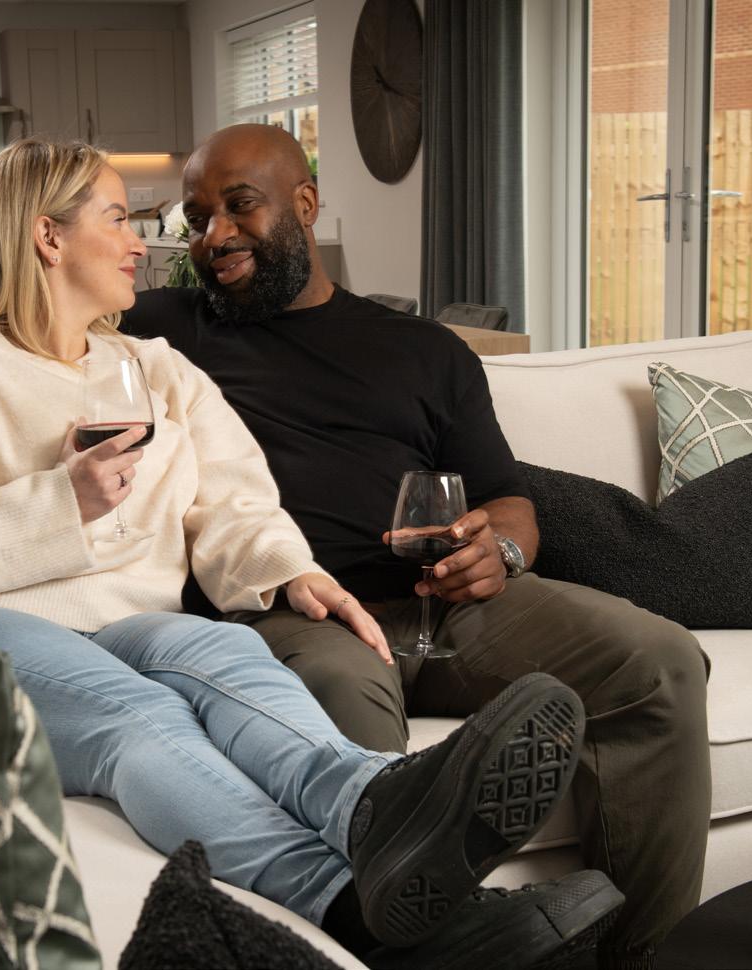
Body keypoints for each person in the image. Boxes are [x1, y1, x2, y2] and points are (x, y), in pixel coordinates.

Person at [0, 138, 622, 969]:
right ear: (48, 237)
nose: (142, 242)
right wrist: (60, 501)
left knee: (227, 654)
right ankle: (362, 914)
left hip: (124, 621)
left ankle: (373, 803)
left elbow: (233, 498)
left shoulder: (153, 369)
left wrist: (292, 572)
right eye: (119, 219)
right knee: (139, 717)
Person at [122, 123, 712, 970]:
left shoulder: (424, 349)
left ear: (305, 204)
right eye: (197, 218)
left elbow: (510, 503)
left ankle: (630, 957)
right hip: (295, 615)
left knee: (660, 661)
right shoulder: (161, 329)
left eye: (239, 206)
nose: (214, 236)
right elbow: (19, 320)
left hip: (450, 604)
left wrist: (500, 553)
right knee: (348, 707)